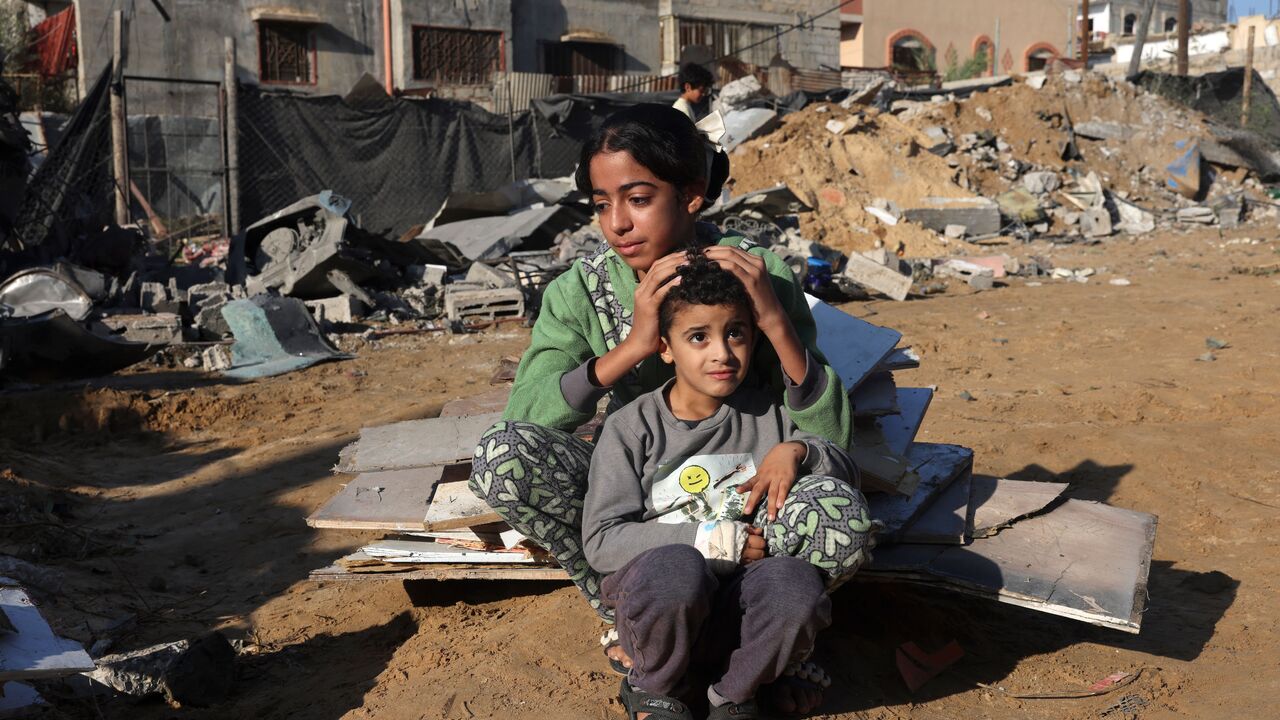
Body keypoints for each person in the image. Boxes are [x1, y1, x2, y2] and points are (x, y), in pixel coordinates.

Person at [466, 103, 855, 708]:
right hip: (636, 508)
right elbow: (526, 418)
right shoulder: (582, 293)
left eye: (638, 197)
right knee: (504, 459)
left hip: (749, 499)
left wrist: (775, 321)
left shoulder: (756, 276)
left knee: (838, 512)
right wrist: (633, 348)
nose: (618, 223)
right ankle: (634, 618)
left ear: (692, 194)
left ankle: (769, 628)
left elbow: (830, 435)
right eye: (601, 204)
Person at [582, 252, 873, 719]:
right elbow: (601, 541)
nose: (722, 352)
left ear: (753, 336)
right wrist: (717, 541)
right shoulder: (631, 427)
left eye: (734, 333)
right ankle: (656, 687)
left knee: (794, 582)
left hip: (740, 606)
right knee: (676, 569)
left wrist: (798, 451)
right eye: (698, 337)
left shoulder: (769, 415)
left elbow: (845, 477)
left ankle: (735, 693)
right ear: (664, 347)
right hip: (661, 604)